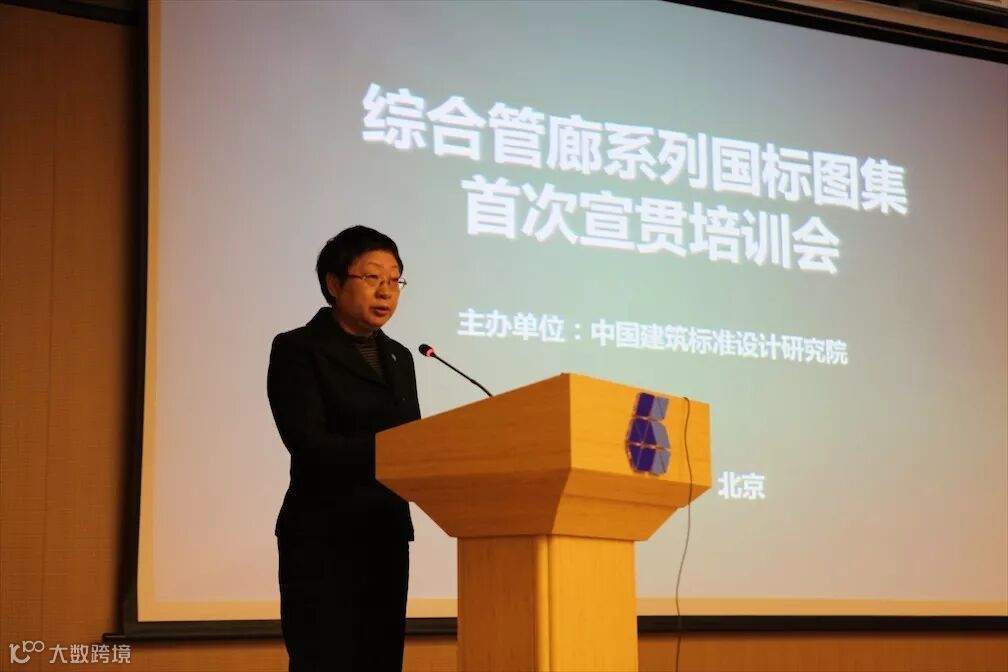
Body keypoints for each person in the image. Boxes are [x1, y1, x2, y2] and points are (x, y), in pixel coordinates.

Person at [267, 226, 419, 672]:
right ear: (334, 284)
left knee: (381, 661)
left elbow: (414, 438)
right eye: (372, 277)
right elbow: (308, 444)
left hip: (386, 534)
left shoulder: (402, 357)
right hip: (324, 536)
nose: (386, 291)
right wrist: (395, 450)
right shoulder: (298, 349)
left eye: (394, 279)